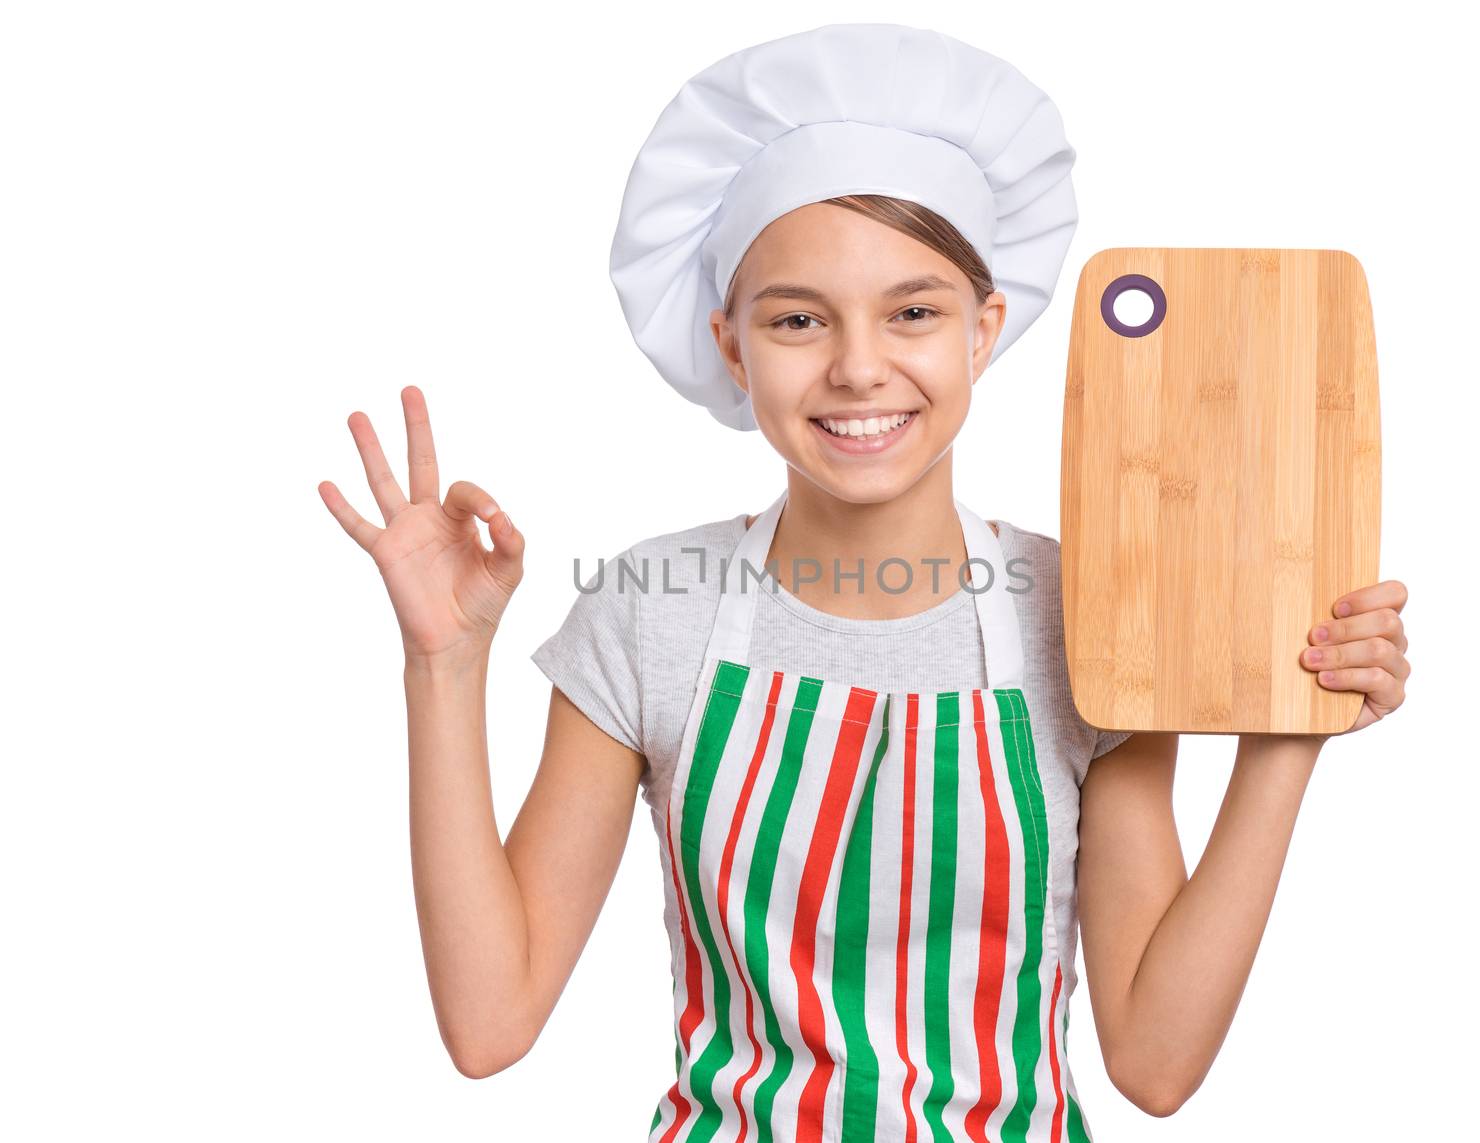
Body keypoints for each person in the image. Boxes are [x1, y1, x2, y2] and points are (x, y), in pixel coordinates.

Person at [317, 22, 1412, 1141]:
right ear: (732, 348)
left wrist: (1288, 731)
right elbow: (489, 1023)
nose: (855, 365)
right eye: (797, 319)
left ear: (984, 331)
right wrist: (444, 665)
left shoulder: (1096, 609)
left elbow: (1155, 1061)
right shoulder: (654, 609)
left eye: (914, 312)